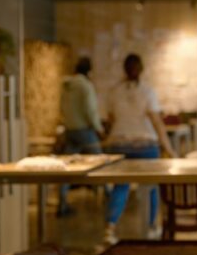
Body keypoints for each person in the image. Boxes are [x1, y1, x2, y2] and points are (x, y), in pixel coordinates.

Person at [102, 53, 177, 245]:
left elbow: (110, 120)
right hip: (145, 145)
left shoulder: (114, 92)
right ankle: (151, 226)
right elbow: (157, 123)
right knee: (151, 186)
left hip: (118, 145)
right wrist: (170, 150)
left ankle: (109, 228)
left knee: (121, 186)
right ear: (141, 69)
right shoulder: (147, 91)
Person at [57, 56, 104, 216]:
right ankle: (109, 197)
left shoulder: (66, 86)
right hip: (84, 130)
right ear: (89, 71)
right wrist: (98, 128)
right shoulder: (86, 86)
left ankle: (62, 203)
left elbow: (61, 107)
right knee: (101, 162)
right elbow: (90, 110)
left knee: (66, 168)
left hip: (70, 129)